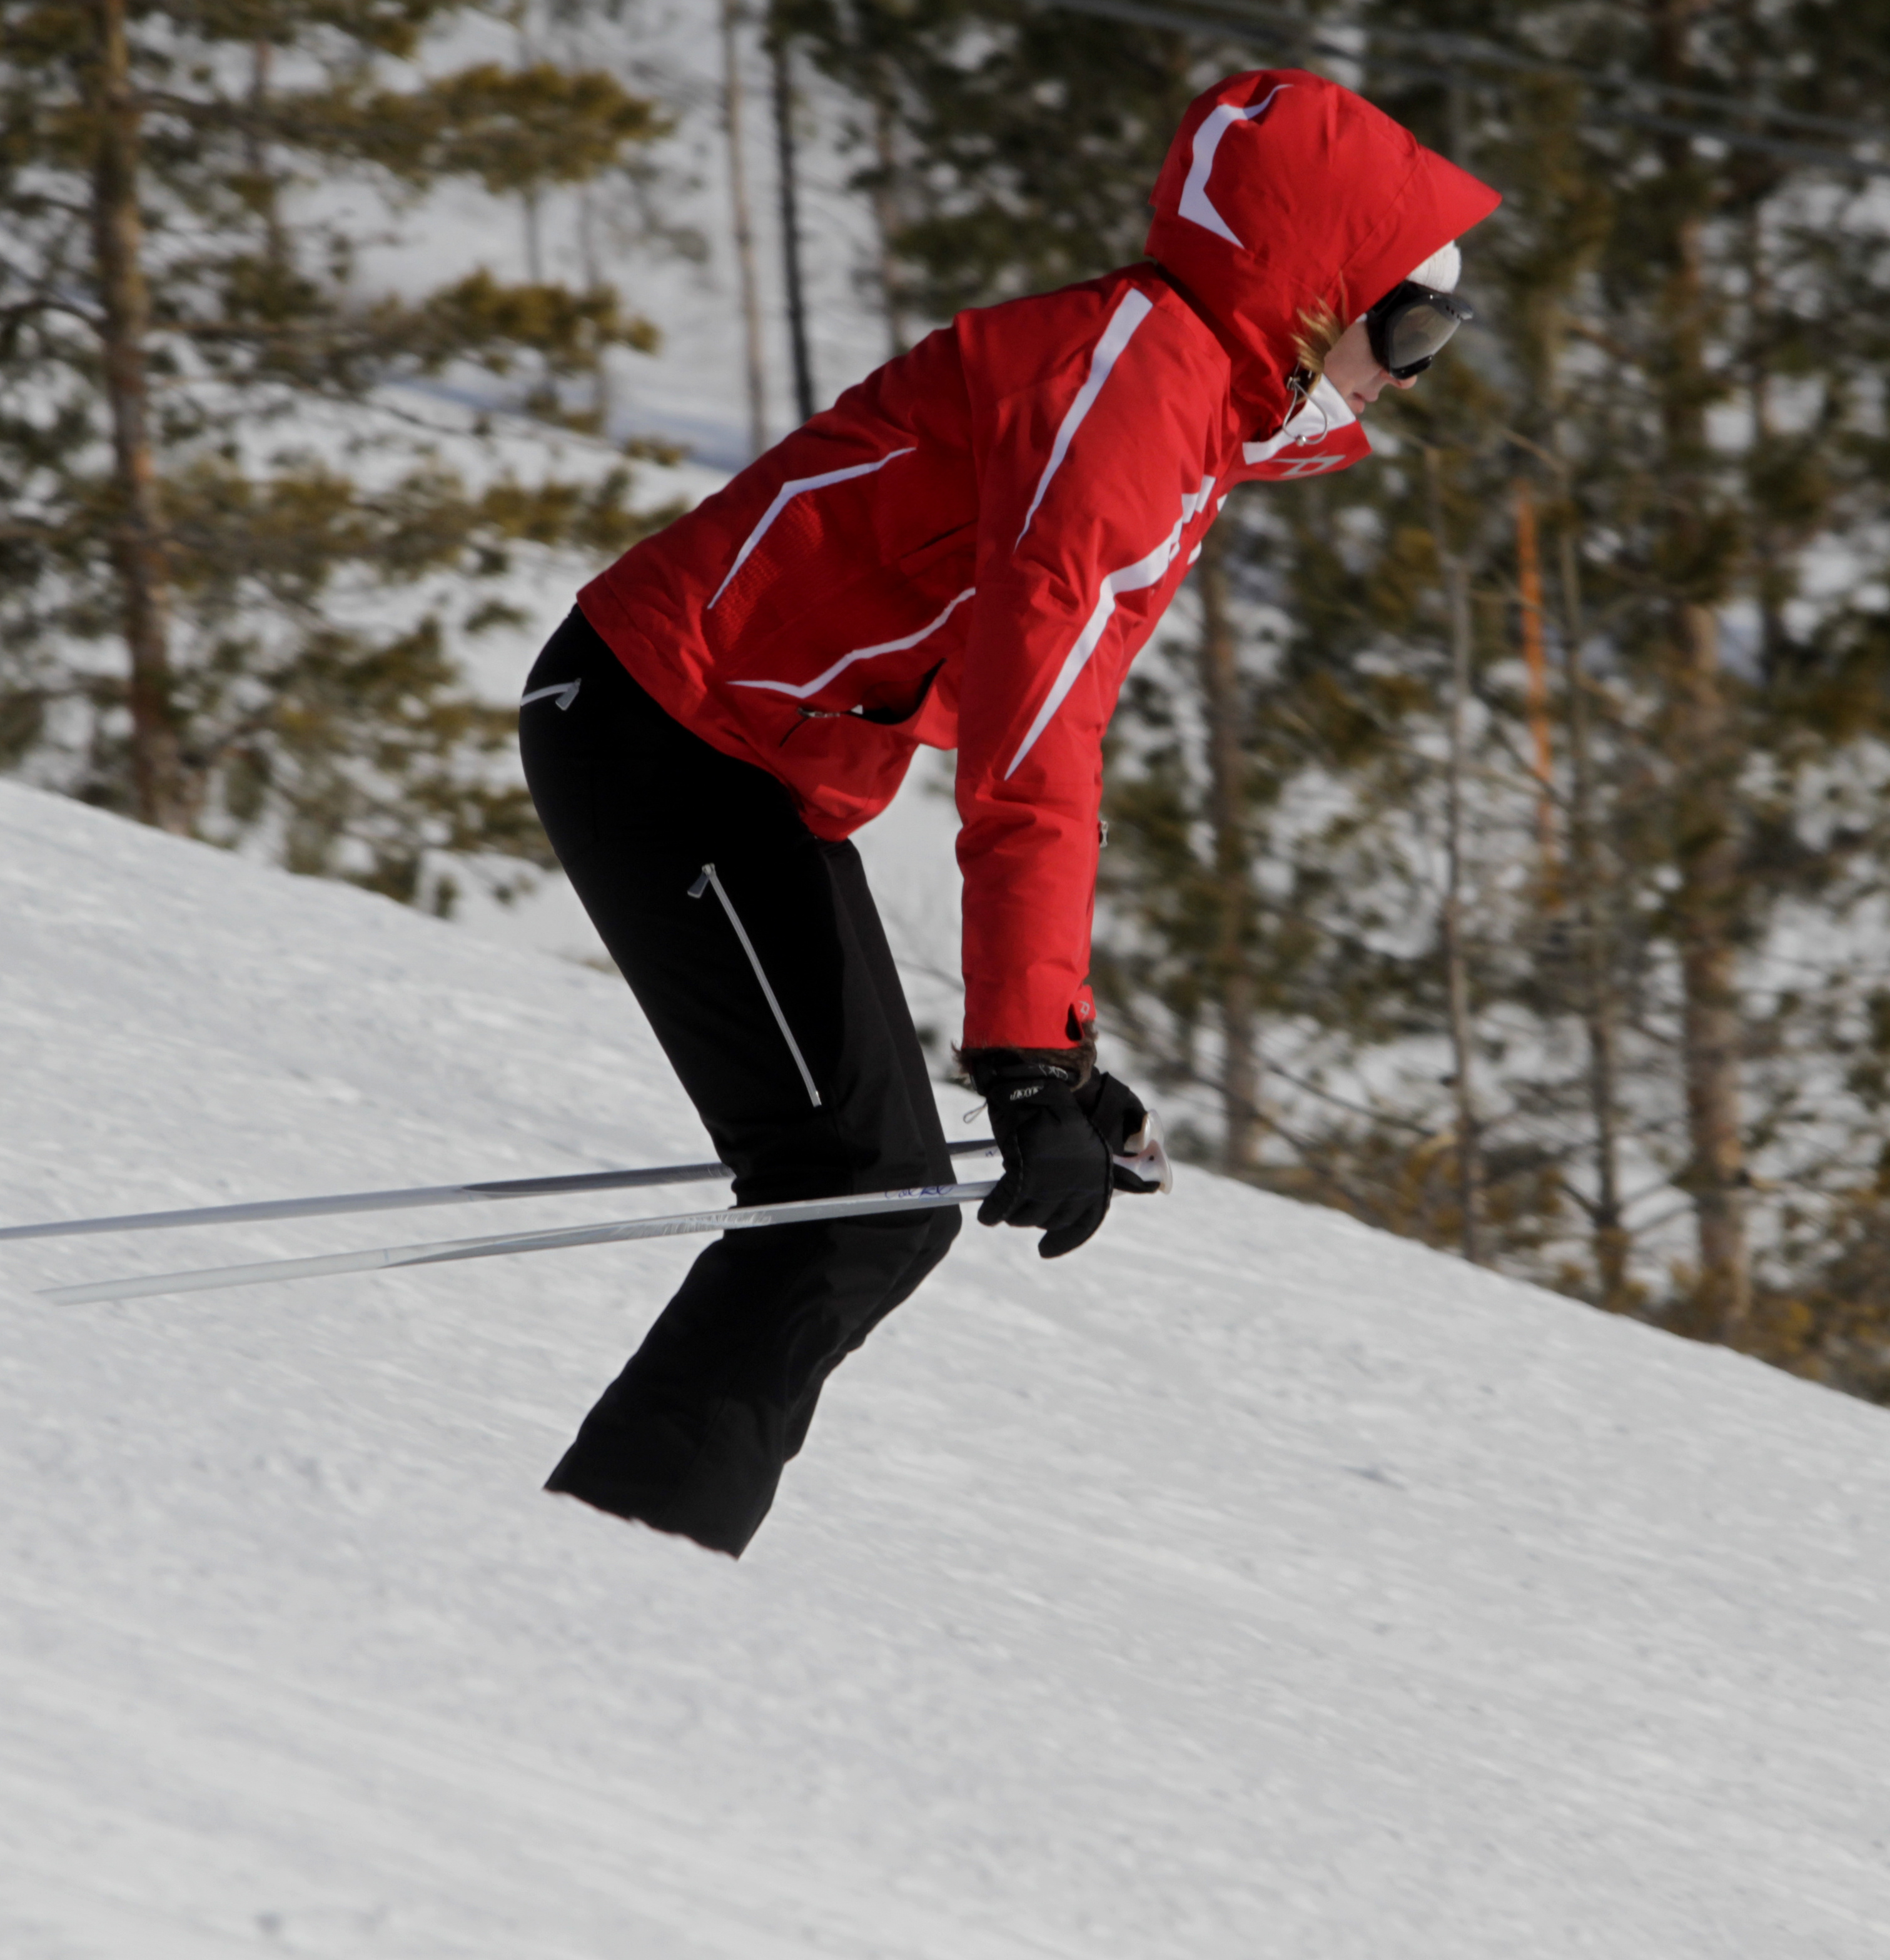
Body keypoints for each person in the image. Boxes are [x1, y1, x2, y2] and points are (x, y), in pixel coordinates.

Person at [517, 68, 1498, 1555]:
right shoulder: (1133, 397)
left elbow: (1027, 723)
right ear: (1317, 286)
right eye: (1411, 329)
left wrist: (1058, 1064)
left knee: (873, 1202)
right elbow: (1039, 738)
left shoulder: (1168, 391)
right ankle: (613, 1558)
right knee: (850, 1198)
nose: (1412, 376)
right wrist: (1025, 1059)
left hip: (729, 754)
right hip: (663, 729)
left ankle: (621, 1550)